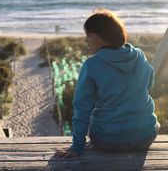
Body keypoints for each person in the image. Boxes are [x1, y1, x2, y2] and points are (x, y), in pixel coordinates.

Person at [54, 9, 158, 158]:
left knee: (93, 118)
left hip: (108, 141)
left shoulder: (92, 65)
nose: (86, 40)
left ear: (103, 37)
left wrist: (77, 147)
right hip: (146, 137)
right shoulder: (139, 56)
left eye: (89, 35)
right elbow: (150, 84)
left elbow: (82, 109)